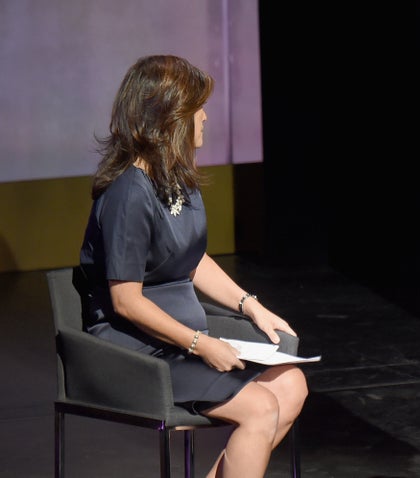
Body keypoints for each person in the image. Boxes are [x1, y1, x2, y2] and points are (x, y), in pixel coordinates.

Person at [77, 55, 308, 478]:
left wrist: (250, 305)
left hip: (181, 340)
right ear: (168, 118)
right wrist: (201, 344)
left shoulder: (175, 178)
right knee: (260, 407)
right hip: (139, 350)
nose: (204, 117)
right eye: (196, 108)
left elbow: (192, 259)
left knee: (291, 384)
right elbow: (126, 302)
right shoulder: (129, 192)